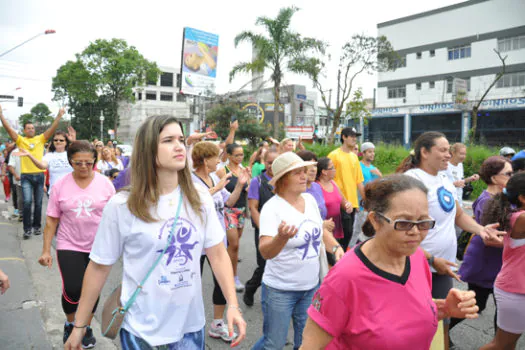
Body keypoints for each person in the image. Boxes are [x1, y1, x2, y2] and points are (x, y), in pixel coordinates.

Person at [64, 115, 246, 350]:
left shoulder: (200, 197)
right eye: (168, 140)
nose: (179, 145)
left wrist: (232, 304)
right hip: (141, 330)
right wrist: (80, 326)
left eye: (181, 139)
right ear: (148, 149)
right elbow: (99, 266)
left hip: (190, 328)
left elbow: (218, 254)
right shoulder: (122, 205)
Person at [300, 175, 480, 349]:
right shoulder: (344, 279)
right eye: (404, 223)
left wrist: (444, 309)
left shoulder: (416, 258)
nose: (416, 232)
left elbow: (401, 311)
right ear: (375, 221)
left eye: (423, 222)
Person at [397, 131, 505, 345]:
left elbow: (458, 214)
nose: (449, 155)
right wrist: (430, 259)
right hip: (417, 265)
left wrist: (481, 230)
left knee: (441, 320)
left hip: (442, 266)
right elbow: (401, 233)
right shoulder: (411, 181)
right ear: (425, 152)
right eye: (443, 150)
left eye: (449, 150)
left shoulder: (443, 177)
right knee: (413, 321)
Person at [253, 152, 343, 350]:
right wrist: (281, 238)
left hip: (310, 288)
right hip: (279, 290)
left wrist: (336, 248)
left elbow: (319, 230)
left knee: (306, 343)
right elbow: (266, 252)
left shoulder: (309, 200)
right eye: (297, 173)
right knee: (274, 344)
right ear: (283, 179)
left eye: (304, 171)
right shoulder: (272, 208)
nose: (305, 176)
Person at [38, 140, 115, 347]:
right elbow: (52, 219)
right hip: (68, 243)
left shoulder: (105, 184)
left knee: (92, 289)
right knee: (73, 288)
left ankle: (85, 327)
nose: (83, 167)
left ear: (94, 161)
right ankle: (71, 324)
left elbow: (115, 217)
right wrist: (46, 250)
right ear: (70, 161)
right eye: (78, 162)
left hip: (99, 246)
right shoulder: (61, 185)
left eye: (88, 163)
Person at [191, 141, 248, 342]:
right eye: (216, 156)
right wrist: (215, 188)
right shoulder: (190, 180)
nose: (219, 160)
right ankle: (189, 324)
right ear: (205, 159)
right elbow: (193, 204)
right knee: (191, 284)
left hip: (216, 240)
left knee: (222, 282)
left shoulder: (214, 177)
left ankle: (217, 324)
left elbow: (229, 202)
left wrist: (240, 185)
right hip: (195, 243)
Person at [450, 156, 512, 334]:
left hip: (496, 262)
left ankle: (502, 342)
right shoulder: (487, 200)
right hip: (484, 262)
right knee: (477, 304)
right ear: (494, 178)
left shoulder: (502, 197)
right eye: (508, 173)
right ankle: (441, 330)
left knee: (502, 307)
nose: (512, 176)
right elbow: (489, 238)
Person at [0, 105, 65, 239]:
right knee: (28, 202)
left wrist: (59, 116)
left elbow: (51, 129)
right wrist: (1, 115)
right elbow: (9, 129)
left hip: (39, 175)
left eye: (32, 128)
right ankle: (27, 229)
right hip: (26, 177)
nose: (31, 130)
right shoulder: (21, 140)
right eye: (28, 128)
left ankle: (36, 227)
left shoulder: (40, 139)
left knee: (39, 203)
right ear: (24, 130)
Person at [480, 172, 525, 350]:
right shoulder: (520, 218)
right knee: (500, 345)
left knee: (508, 345)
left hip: (516, 288)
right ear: (522, 197)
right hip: (515, 292)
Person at [243, 149, 278, 307]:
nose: (272, 166)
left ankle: (274, 299)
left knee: (277, 264)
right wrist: (264, 229)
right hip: (263, 229)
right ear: (264, 162)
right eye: (269, 162)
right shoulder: (257, 182)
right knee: (264, 264)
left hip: (281, 230)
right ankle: (250, 288)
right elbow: (253, 208)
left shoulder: (283, 180)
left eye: (275, 162)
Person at [216, 143, 249, 292]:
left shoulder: (243, 170)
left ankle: (228, 269)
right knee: (234, 245)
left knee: (233, 245)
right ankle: (232, 277)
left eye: (241, 154)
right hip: (228, 210)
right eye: (236, 155)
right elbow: (217, 192)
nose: (240, 157)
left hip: (241, 210)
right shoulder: (222, 171)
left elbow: (248, 191)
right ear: (228, 156)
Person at [327, 127, 365, 251]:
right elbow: (327, 178)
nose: (355, 139)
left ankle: (340, 258)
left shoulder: (354, 157)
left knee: (348, 233)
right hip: (339, 202)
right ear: (344, 137)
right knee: (341, 233)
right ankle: (336, 258)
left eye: (356, 136)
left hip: (352, 203)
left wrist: (366, 199)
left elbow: (359, 181)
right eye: (352, 136)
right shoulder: (334, 155)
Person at [17, 128, 76, 195]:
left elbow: (84, 154)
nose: (58, 142)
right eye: (55, 140)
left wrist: (74, 141)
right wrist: (29, 155)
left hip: (70, 192)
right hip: (54, 193)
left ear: (66, 142)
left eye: (61, 140)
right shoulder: (49, 156)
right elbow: (42, 166)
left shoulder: (72, 154)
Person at [316, 157, 353, 254]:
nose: (335, 170)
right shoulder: (316, 187)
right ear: (324, 172)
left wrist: (348, 206)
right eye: (332, 168)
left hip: (337, 227)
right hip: (325, 229)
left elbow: (344, 202)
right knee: (329, 256)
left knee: (337, 253)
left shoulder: (333, 183)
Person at [351, 142, 382, 247]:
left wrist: (379, 175)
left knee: (369, 232)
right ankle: (349, 251)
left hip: (371, 205)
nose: (372, 154)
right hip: (360, 205)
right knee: (356, 231)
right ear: (363, 153)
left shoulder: (374, 168)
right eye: (369, 152)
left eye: (373, 152)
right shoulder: (358, 166)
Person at [444, 143, 480, 207]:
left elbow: (460, 181)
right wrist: (454, 184)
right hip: (447, 201)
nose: (463, 156)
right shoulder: (445, 165)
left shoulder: (460, 165)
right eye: (461, 154)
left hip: (458, 201)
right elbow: (438, 184)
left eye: (465, 154)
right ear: (453, 153)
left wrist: (471, 178)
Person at [7, 147, 23, 221]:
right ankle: (21, 214)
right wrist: (15, 175)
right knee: (20, 198)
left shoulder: (31, 150)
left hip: (30, 179)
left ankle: (27, 213)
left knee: (28, 199)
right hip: (18, 179)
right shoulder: (14, 152)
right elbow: (10, 165)